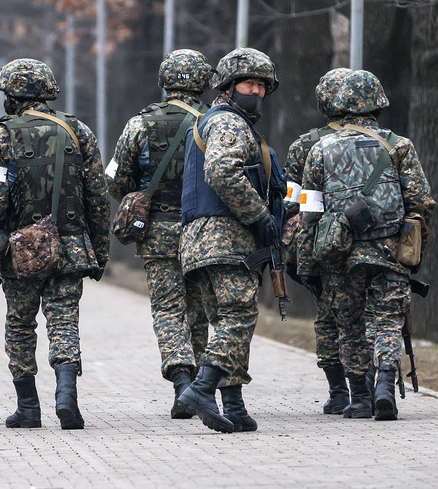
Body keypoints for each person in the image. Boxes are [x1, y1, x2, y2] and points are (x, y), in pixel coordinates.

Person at [0, 58, 110, 430]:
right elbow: (97, 196)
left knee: (20, 325)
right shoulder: (78, 131)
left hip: (22, 250)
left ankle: (28, 408)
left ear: (14, 95)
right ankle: (66, 396)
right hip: (71, 246)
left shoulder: (2, 136)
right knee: (64, 320)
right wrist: (99, 252)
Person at [297, 70, 435, 421]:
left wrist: (326, 235)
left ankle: (359, 399)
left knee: (350, 324)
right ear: (378, 103)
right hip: (390, 252)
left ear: (340, 104)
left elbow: (308, 211)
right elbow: (420, 201)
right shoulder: (398, 145)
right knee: (388, 320)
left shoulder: (319, 149)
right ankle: (385, 388)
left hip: (341, 255)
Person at [177, 47, 286, 433]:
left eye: (261, 86)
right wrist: (259, 216)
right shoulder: (229, 123)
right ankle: (201, 389)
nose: (255, 91)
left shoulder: (216, 121)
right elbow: (222, 171)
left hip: (201, 240)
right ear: (228, 86)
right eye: (248, 83)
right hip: (223, 238)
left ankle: (234, 405)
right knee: (239, 316)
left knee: (223, 320)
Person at [105, 49, 211, 419]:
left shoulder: (140, 125)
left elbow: (115, 180)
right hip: (204, 231)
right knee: (198, 310)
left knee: (168, 309)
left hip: (159, 231)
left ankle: (183, 381)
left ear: (165, 82)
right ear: (203, 82)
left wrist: (140, 196)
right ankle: (198, 389)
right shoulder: (216, 123)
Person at [283, 68, 364, 415]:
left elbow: (293, 202)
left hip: (323, 244)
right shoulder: (381, 139)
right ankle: (371, 386)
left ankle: (339, 391)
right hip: (373, 242)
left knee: (328, 317)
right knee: (369, 315)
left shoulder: (305, 144)